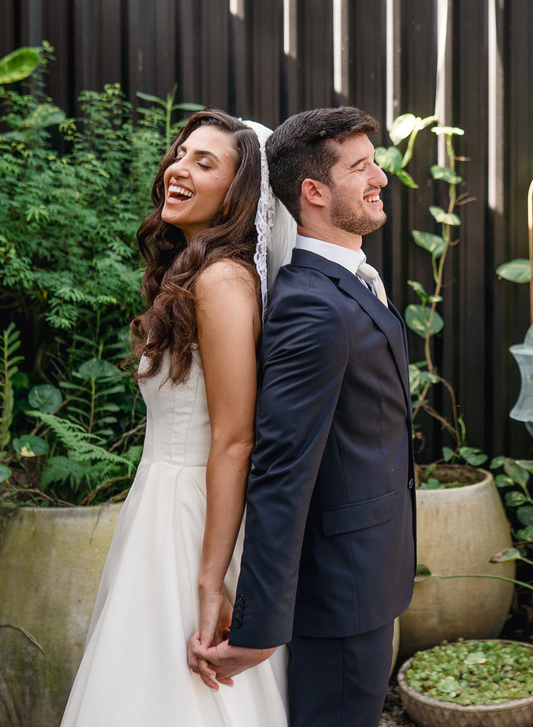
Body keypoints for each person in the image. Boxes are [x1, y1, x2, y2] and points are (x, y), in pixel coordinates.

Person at [61, 110, 295, 726]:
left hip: (193, 513)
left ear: (238, 195)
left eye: (204, 162)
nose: (178, 169)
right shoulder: (192, 270)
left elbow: (235, 438)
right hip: (160, 499)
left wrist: (209, 581)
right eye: (181, 154)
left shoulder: (221, 280)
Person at [188, 107, 416, 727]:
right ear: (313, 192)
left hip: (367, 569)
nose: (381, 178)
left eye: (375, 162)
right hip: (340, 590)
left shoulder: (350, 284)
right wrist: (260, 628)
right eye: (361, 167)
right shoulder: (312, 308)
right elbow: (281, 472)